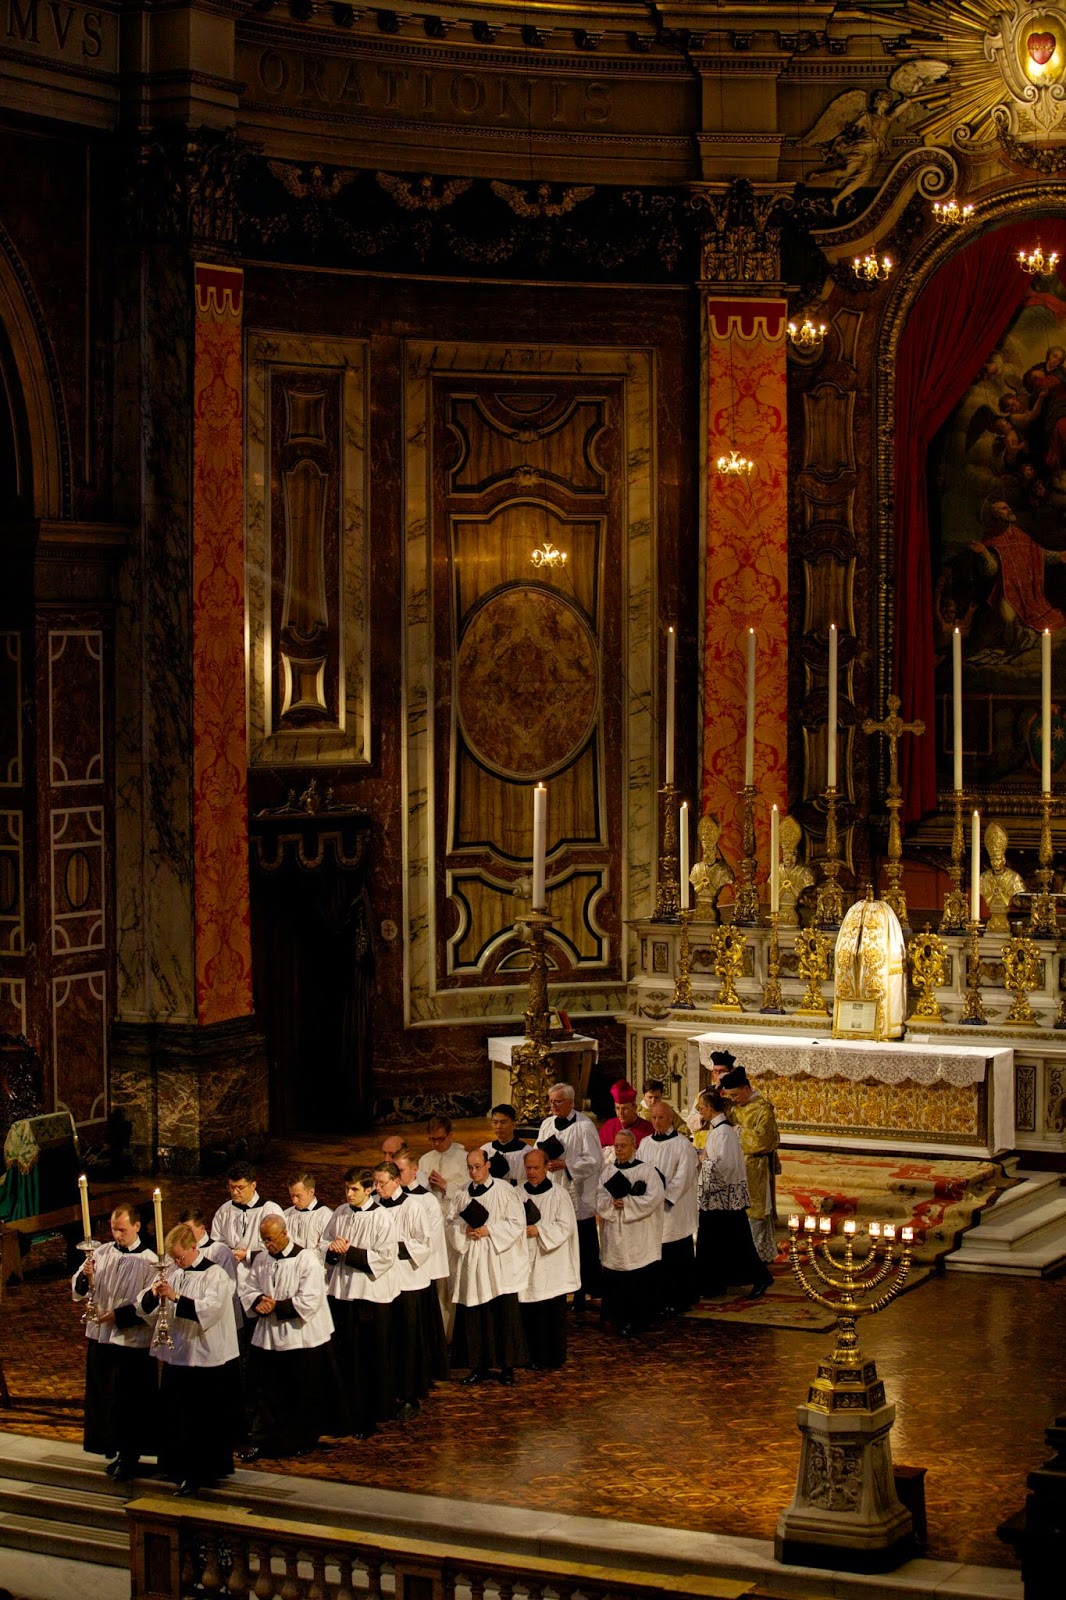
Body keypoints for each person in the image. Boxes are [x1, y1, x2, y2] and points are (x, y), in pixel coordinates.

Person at [137, 1222, 240, 1496]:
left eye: (180, 1256)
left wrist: (175, 1296)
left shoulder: (215, 1275)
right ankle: (177, 1467)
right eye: (173, 1257)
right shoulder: (172, 1271)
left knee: (202, 1421)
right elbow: (145, 1304)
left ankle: (203, 1471)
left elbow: (210, 1310)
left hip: (206, 1359)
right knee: (176, 1415)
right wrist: (152, 1295)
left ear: (194, 1247)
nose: (176, 1261)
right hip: (177, 1354)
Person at [72, 1202, 158, 1481]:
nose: (117, 1234)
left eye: (122, 1229)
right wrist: (85, 1278)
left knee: (129, 1403)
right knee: (104, 1398)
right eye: (113, 1229)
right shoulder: (101, 1252)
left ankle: (129, 1455)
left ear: (136, 1226)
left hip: (130, 1342)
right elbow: (79, 1288)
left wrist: (116, 1316)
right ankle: (111, 1447)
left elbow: (149, 1303)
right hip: (102, 1338)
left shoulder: (150, 1260)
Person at [238, 1214, 334, 1460]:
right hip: (268, 1337)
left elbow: (311, 1299)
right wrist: (258, 1301)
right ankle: (263, 1440)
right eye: (263, 1240)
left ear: (284, 1234)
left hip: (299, 1338)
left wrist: (277, 1307)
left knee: (300, 1392)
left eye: (270, 1239)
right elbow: (248, 1287)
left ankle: (300, 1440)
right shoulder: (262, 1259)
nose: (267, 1244)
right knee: (265, 1391)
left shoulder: (306, 1260)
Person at [320, 1166, 398, 1439]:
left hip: (369, 1296)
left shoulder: (382, 1218)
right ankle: (342, 1416)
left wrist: (349, 1252)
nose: (348, 1194)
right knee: (343, 1357)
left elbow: (387, 1256)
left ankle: (367, 1418)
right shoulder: (340, 1212)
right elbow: (324, 1241)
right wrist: (331, 1249)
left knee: (366, 1359)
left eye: (354, 1189)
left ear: (369, 1189)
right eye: (346, 1189)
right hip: (341, 1293)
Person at [447, 1146, 528, 1385]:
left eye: (478, 1167)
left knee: (503, 1313)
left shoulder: (505, 1191)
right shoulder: (462, 1194)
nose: (473, 1172)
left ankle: (507, 1368)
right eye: (470, 1168)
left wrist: (489, 1230)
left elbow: (516, 1223)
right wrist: (466, 1229)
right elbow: (450, 1222)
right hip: (472, 1260)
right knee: (474, 1315)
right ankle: (477, 1367)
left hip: (497, 1261)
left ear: (488, 1165)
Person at [373, 1160, 447, 1418]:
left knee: (407, 1341)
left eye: (382, 1183)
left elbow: (424, 1243)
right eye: (375, 1182)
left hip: (408, 1282)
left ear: (396, 1181)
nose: (377, 1187)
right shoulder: (374, 1207)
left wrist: (392, 1248)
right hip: (382, 1284)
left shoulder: (413, 1206)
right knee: (387, 1340)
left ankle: (409, 1396)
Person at [696, 1087, 773, 1299]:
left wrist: (704, 1162)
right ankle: (714, 1284)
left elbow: (726, 1167)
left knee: (737, 1245)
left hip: (724, 1200)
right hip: (719, 1200)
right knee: (719, 1245)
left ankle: (760, 1277)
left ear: (710, 1108)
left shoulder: (724, 1133)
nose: (699, 1111)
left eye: (701, 1107)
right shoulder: (718, 1130)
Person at [535, 1081, 602, 1310]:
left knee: (581, 1244)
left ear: (571, 1102)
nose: (553, 1105)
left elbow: (595, 1160)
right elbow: (537, 1151)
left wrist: (567, 1164)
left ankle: (583, 1291)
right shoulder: (546, 1125)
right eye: (551, 1101)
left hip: (577, 1193)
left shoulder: (584, 1126)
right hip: (553, 1187)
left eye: (558, 1101)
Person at [595, 1128, 664, 1337]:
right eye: (616, 1146)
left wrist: (627, 1203)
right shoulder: (608, 1171)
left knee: (637, 1279)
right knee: (614, 1278)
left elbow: (655, 1197)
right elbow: (598, 1197)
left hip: (637, 1235)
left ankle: (638, 1320)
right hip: (614, 1235)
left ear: (633, 1147)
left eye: (623, 1146)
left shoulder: (647, 1171)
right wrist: (610, 1203)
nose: (619, 1149)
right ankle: (614, 1318)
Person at [518, 1146, 579, 1369]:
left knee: (549, 1313)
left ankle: (551, 1357)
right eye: (528, 1168)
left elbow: (566, 1227)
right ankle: (528, 1355)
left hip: (550, 1261)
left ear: (546, 1168)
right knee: (528, 1312)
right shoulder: (517, 1193)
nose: (531, 1172)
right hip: (526, 1260)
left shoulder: (558, 1194)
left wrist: (540, 1231)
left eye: (536, 1167)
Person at [639, 1099, 699, 1317]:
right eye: (653, 1117)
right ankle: (660, 1298)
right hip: (652, 1206)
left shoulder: (683, 1145)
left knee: (676, 1254)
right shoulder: (645, 1143)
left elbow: (684, 1178)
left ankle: (681, 1298)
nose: (657, 1122)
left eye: (661, 1117)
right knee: (657, 1254)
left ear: (671, 1118)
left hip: (674, 1209)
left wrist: (665, 1198)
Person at [719, 1067, 781, 1274]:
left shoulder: (763, 1108)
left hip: (756, 1167)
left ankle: (758, 1258)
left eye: (736, 1094)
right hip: (736, 1166)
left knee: (756, 1212)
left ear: (746, 1089)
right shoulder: (735, 1106)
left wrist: (739, 1132)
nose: (733, 1100)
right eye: (731, 1096)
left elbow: (765, 1140)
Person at [396, 1149, 453, 1336]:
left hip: (420, 1270)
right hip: (394, 1270)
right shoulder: (386, 1199)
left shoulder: (427, 1200)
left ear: (415, 1170)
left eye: (401, 1170)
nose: (397, 1176)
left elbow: (432, 1241)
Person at [210, 1162, 284, 1266]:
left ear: (253, 1185)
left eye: (240, 1187)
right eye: (231, 1187)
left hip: (261, 1271)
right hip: (231, 1272)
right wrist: (230, 1253)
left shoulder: (271, 1211)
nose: (235, 1192)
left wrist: (248, 1255)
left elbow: (279, 1247)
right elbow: (216, 1243)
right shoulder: (224, 1211)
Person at [416, 1115, 468, 1208]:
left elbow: (469, 1189)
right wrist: (428, 1185)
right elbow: (418, 1191)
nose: (436, 1143)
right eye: (432, 1139)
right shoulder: (425, 1159)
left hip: (456, 1209)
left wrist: (446, 1186)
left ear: (450, 1136)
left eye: (440, 1139)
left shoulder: (465, 1158)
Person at [284, 1171, 333, 1251]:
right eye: (292, 1196)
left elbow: (326, 1248)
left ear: (311, 1192)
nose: (294, 1201)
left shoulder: (327, 1216)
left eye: (298, 1196)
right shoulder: (285, 1214)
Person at [480, 1103, 529, 1183]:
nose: (498, 1126)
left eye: (503, 1122)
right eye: (495, 1122)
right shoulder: (485, 1150)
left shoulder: (527, 1152)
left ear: (514, 1124)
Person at [598, 1079, 652, 1150]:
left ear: (634, 1107)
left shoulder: (648, 1130)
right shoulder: (608, 1126)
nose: (620, 1113)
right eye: (617, 1108)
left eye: (625, 1108)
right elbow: (597, 1151)